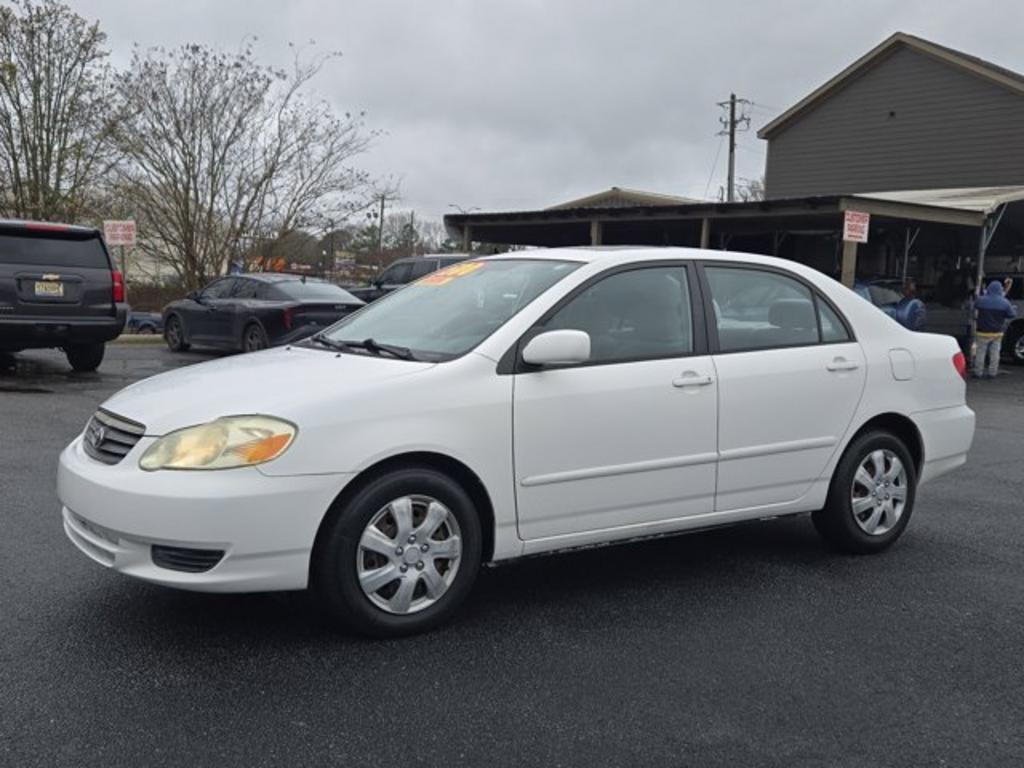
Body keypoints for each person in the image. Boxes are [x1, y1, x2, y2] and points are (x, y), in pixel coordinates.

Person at [973, 279, 1017, 378]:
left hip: (982, 332)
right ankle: (992, 372)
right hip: (997, 333)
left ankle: (978, 372)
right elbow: (1011, 315)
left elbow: (975, 306)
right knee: (995, 353)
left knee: (980, 353)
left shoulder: (981, 300)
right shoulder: (1005, 303)